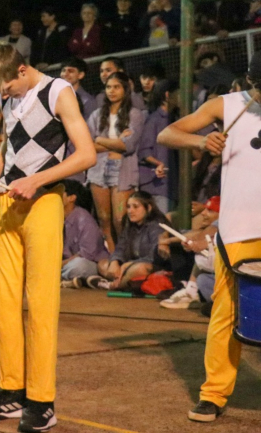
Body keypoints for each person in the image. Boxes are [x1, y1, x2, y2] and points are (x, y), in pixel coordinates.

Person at [0, 40, 96, 432]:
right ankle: (11, 390)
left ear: (22, 70)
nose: (3, 95)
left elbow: (86, 154)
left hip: (44, 202)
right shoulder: (7, 95)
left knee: (41, 303)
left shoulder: (58, 91)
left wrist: (36, 180)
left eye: (6, 87)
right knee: (4, 302)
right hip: (8, 203)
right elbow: (8, 147)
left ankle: (42, 401)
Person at [158, 53, 261, 423]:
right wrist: (202, 142)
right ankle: (213, 394)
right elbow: (167, 133)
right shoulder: (227, 105)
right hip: (238, 230)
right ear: (252, 81)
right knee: (226, 312)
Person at [87, 72, 145, 251]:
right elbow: (88, 145)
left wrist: (100, 140)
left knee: (120, 218)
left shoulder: (135, 114)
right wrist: (116, 142)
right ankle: (113, 254)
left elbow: (128, 145)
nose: (111, 91)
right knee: (103, 218)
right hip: (98, 169)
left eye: (116, 87)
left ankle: (125, 254)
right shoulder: (97, 115)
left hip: (123, 169)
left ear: (125, 89)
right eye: (108, 87)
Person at [90, 192, 169, 290]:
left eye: (135, 207)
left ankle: (113, 285)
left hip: (153, 267)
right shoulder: (129, 224)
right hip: (131, 266)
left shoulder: (156, 226)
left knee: (140, 269)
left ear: (148, 208)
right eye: (128, 207)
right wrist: (115, 261)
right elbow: (120, 248)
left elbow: (155, 256)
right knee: (103, 264)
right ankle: (120, 281)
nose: (130, 211)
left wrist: (129, 264)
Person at [58, 180, 106, 287]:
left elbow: (87, 254)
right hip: (65, 265)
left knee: (79, 266)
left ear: (72, 198)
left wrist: (59, 265)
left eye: (60, 192)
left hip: (90, 264)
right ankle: (67, 280)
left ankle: (56, 277)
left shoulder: (84, 219)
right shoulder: (57, 216)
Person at [139, 80, 173, 212]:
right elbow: (144, 151)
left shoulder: (176, 118)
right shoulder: (154, 119)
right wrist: (159, 163)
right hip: (156, 185)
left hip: (171, 185)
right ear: (167, 95)